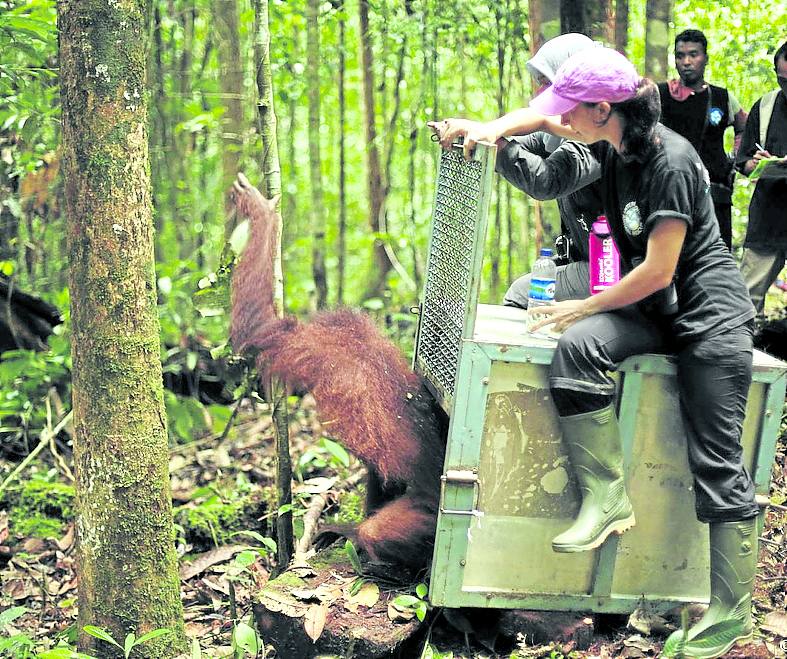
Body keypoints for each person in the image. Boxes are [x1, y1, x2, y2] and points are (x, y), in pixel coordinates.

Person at [431, 47, 758, 659]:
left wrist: (580, 304)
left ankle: (729, 610)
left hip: (706, 315)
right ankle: (606, 495)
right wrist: (488, 131)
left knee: (714, 457)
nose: (564, 123)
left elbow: (661, 271)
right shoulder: (612, 141)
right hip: (656, 309)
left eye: (572, 112)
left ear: (603, 110)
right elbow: (542, 122)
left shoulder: (671, 163)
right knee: (577, 351)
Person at [430, 33, 603, 305]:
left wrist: (494, 143)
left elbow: (546, 180)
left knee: (522, 294)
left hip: (609, 269)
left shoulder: (598, 139)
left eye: (548, 83)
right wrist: (478, 132)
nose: (539, 93)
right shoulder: (557, 133)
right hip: (583, 258)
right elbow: (521, 137)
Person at [657, 29, 748, 250]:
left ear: (705, 58)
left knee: (716, 255)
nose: (686, 62)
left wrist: (734, 159)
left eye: (693, 54)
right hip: (671, 193)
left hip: (715, 195)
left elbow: (744, 129)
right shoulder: (661, 95)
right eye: (680, 56)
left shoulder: (722, 97)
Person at [735, 40, 787, 318]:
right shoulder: (765, 107)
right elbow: (742, 160)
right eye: (783, 80)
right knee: (745, 300)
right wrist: (753, 163)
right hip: (769, 219)